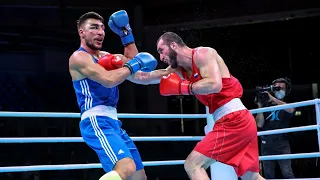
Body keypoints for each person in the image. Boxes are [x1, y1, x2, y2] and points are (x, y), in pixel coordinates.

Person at [121, 31, 265, 180]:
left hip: (234, 119)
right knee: (251, 177)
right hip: (236, 120)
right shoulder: (178, 70)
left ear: (173, 45)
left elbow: (214, 84)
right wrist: (123, 69)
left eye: (161, 51)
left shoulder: (203, 54)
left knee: (193, 164)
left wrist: (183, 87)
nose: (161, 57)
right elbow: (146, 77)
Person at [68, 10, 158, 180]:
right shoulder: (79, 57)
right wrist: (134, 65)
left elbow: (139, 73)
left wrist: (126, 34)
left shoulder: (108, 57)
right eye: (94, 28)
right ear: (82, 32)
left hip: (113, 122)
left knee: (139, 177)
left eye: (102, 28)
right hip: (96, 120)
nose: (100, 32)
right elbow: (109, 79)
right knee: (126, 168)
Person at [255, 78, 295, 179]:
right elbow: (259, 124)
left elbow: (291, 110)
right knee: (268, 174)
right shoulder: (266, 105)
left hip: (282, 143)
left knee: (287, 173)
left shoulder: (287, 104)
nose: (279, 90)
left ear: (286, 90)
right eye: (276, 88)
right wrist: (260, 106)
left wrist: (272, 98)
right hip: (266, 143)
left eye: (281, 88)